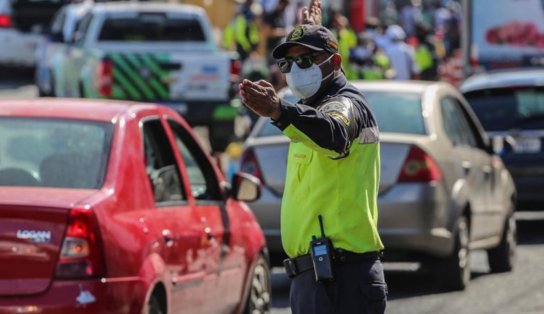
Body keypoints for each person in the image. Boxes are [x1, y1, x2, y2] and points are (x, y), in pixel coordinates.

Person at [238, 1, 387, 313]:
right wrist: (315, 32)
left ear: (334, 63)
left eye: (306, 60)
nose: (296, 70)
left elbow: (333, 133)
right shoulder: (315, 107)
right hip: (316, 278)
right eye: (289, 63)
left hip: (339, 279)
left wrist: (279, 111)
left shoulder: (344, 105)